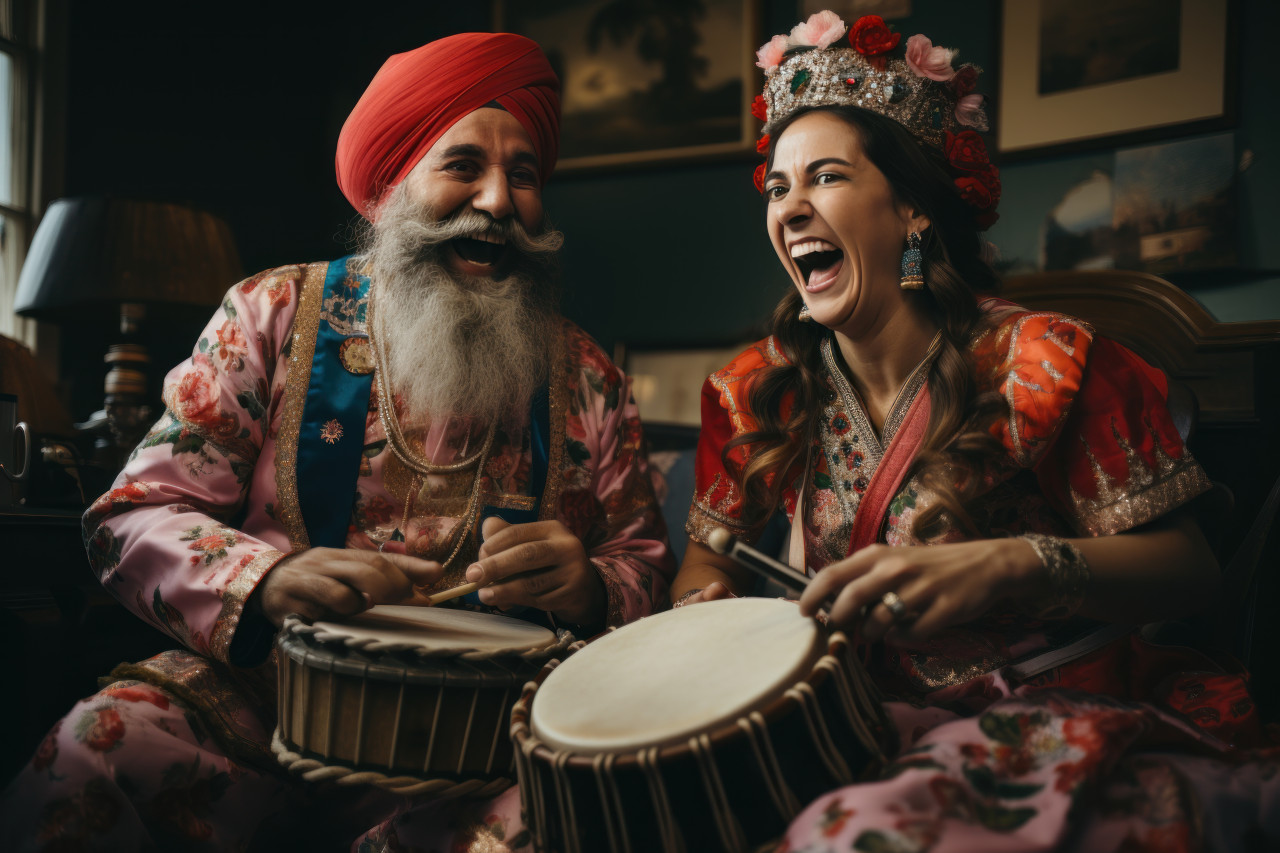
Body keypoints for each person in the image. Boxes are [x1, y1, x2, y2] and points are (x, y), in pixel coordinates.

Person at [0, 32, 673, 851]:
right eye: (463, 165)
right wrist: (268, 575)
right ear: (391, 186)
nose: (498, 201)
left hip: (485, 743)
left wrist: (590, 587)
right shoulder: (270, 314)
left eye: (523, 175)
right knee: (91, 754)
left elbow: (641, 557)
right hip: (257, 703)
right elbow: (132, 516)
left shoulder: (589, 375)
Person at [674, 11, 1278, 852]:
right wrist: (701, 608)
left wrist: (1005, 565)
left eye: (826, 178)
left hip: (1052, 710)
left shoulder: (1042, 363)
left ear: (913, 211)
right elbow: (707, 558)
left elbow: (1190, 573)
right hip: (854, 720)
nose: (792, 207)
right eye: (778, 187)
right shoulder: (757, 391)